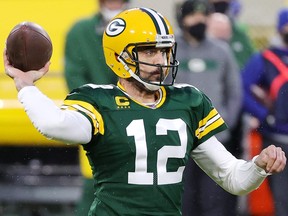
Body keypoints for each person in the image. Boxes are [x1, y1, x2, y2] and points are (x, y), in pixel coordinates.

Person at [4, 7, 286, 216]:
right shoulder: (99, 101)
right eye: (149, 52)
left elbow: (234, 178)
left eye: (164, 51)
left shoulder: (188, 101)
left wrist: (258, 167)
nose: (161, 60)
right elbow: (53, 125)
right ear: (119, 56)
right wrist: (25, 85)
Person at [174, 1, 242, 215]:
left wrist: (225, 123)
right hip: (178, 140)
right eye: (193, 16)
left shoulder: (221, 51)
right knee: (183, 201)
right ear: (183, 19)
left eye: (204, 16)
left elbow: (235, 92)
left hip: (214, 140)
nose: (200, 21)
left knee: (213, 201)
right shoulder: (170, 49)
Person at [64, 0, 129, 215]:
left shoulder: (138, 28)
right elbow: (73, 74)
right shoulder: (80, 30)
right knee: (93, 184)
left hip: (133, 115)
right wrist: (98, 104)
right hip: (95, 117)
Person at [241, 8, 288, 216]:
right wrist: (264, 115)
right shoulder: (265, 59)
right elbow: (242, 89)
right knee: (282, 199)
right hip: (277, 139)